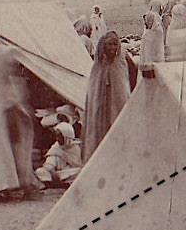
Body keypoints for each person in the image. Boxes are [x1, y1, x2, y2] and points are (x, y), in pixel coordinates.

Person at [0, 46, 39, 203]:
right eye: (8, 64)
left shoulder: (13, 81)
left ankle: (12, 186)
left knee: (12, 155)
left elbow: (18, 101)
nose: (10, 67)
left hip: (9, 121)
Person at [82, 32, 132, 162]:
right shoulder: (98, 66)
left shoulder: (121, 62)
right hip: (101, 107)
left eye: (115, 44)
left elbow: (127, 83)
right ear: (103, 46)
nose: (113, 48)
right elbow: (93, 91)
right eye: (109, 44)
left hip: (117, 105)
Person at [35, 121, 83, 188]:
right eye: (57, 137)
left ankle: (58, 184)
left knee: (79, 172)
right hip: (55, 173)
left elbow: (77, 164)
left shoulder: (75, 147)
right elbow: (49, 163)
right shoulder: (56, 147)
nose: (58, 139)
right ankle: (54, 184)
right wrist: (52, 171)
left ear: (66, 136)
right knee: (40, 171)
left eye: (60, 137)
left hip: (68, 172)